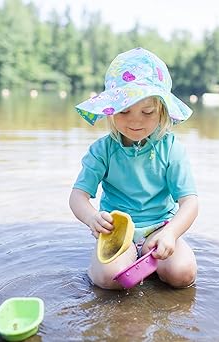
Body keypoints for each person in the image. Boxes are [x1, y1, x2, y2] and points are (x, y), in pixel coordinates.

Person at [69, 47, 198, 290]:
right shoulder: (102, 150)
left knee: (182, 274)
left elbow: (190, 202)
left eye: (147, 111)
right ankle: (108, 263)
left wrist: (171, 233)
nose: (135, 121)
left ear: (162, 111)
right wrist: (91, 217)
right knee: (110, 279)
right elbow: (78, 196)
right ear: (111, 111)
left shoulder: (171, 149)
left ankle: (151, 261)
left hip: (161, 228)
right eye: (124, 111)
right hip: (118, 233)